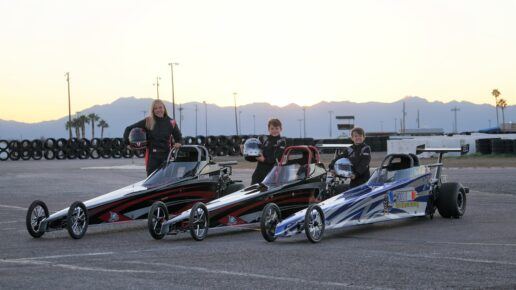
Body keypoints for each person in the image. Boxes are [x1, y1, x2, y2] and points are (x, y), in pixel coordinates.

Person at [123, 99, 182, 176]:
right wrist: (127, 144)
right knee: (151, 185)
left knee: (166, 183)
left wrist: (179, 143)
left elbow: (179, 137)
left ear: (164, 108)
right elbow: (128, 128)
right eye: (155, 108)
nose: (158, 110)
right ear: (153, 110)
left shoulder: (171, 122)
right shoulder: (148, 121)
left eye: (160, 107)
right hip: (152, 158)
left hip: (167, 157)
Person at [251, 118, 286, 185]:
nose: (274, 131)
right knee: (252, 191)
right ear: (268, 129)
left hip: (271, 173)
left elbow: (277, 157)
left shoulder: (282, 142)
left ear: (280, 129)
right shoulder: (264, 139)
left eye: (276, 128)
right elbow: (252, 145)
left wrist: (264, 160)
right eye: (272, 128)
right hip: (259, 171)